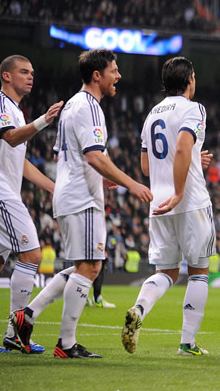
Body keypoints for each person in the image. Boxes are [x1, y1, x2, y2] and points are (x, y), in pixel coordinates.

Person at [9, 49, 153, 358]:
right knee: (90, 267)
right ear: (97, 75)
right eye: (114, 70)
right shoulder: (89, 107)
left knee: (83, 266)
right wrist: (131, 183)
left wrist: (104, 176)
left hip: (72, 193)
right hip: (81, 198)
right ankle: (66, 343)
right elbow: (93, 156)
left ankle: (27, 315)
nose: (119, 76)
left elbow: (69, 155)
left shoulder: (75, 105)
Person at [121, 56, 216, 357]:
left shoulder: (151, 115)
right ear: (190, 80)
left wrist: (191, 163)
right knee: (199, 270)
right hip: (189, 201)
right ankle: (187, 343)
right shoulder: (194, 108)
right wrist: (179, 189)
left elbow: (147, 166)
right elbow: (181, 146)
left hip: (158, 202)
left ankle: (140, 308)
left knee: (167, 271)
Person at [0, 54, 63, 353]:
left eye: (32, 72)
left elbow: (21, 161)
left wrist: (54, 187)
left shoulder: (14, 110)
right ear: (6, 76)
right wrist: (43, 120)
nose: (31, 76)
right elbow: (13, 139)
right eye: (24, 72)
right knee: (31, 254)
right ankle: (16, 332)